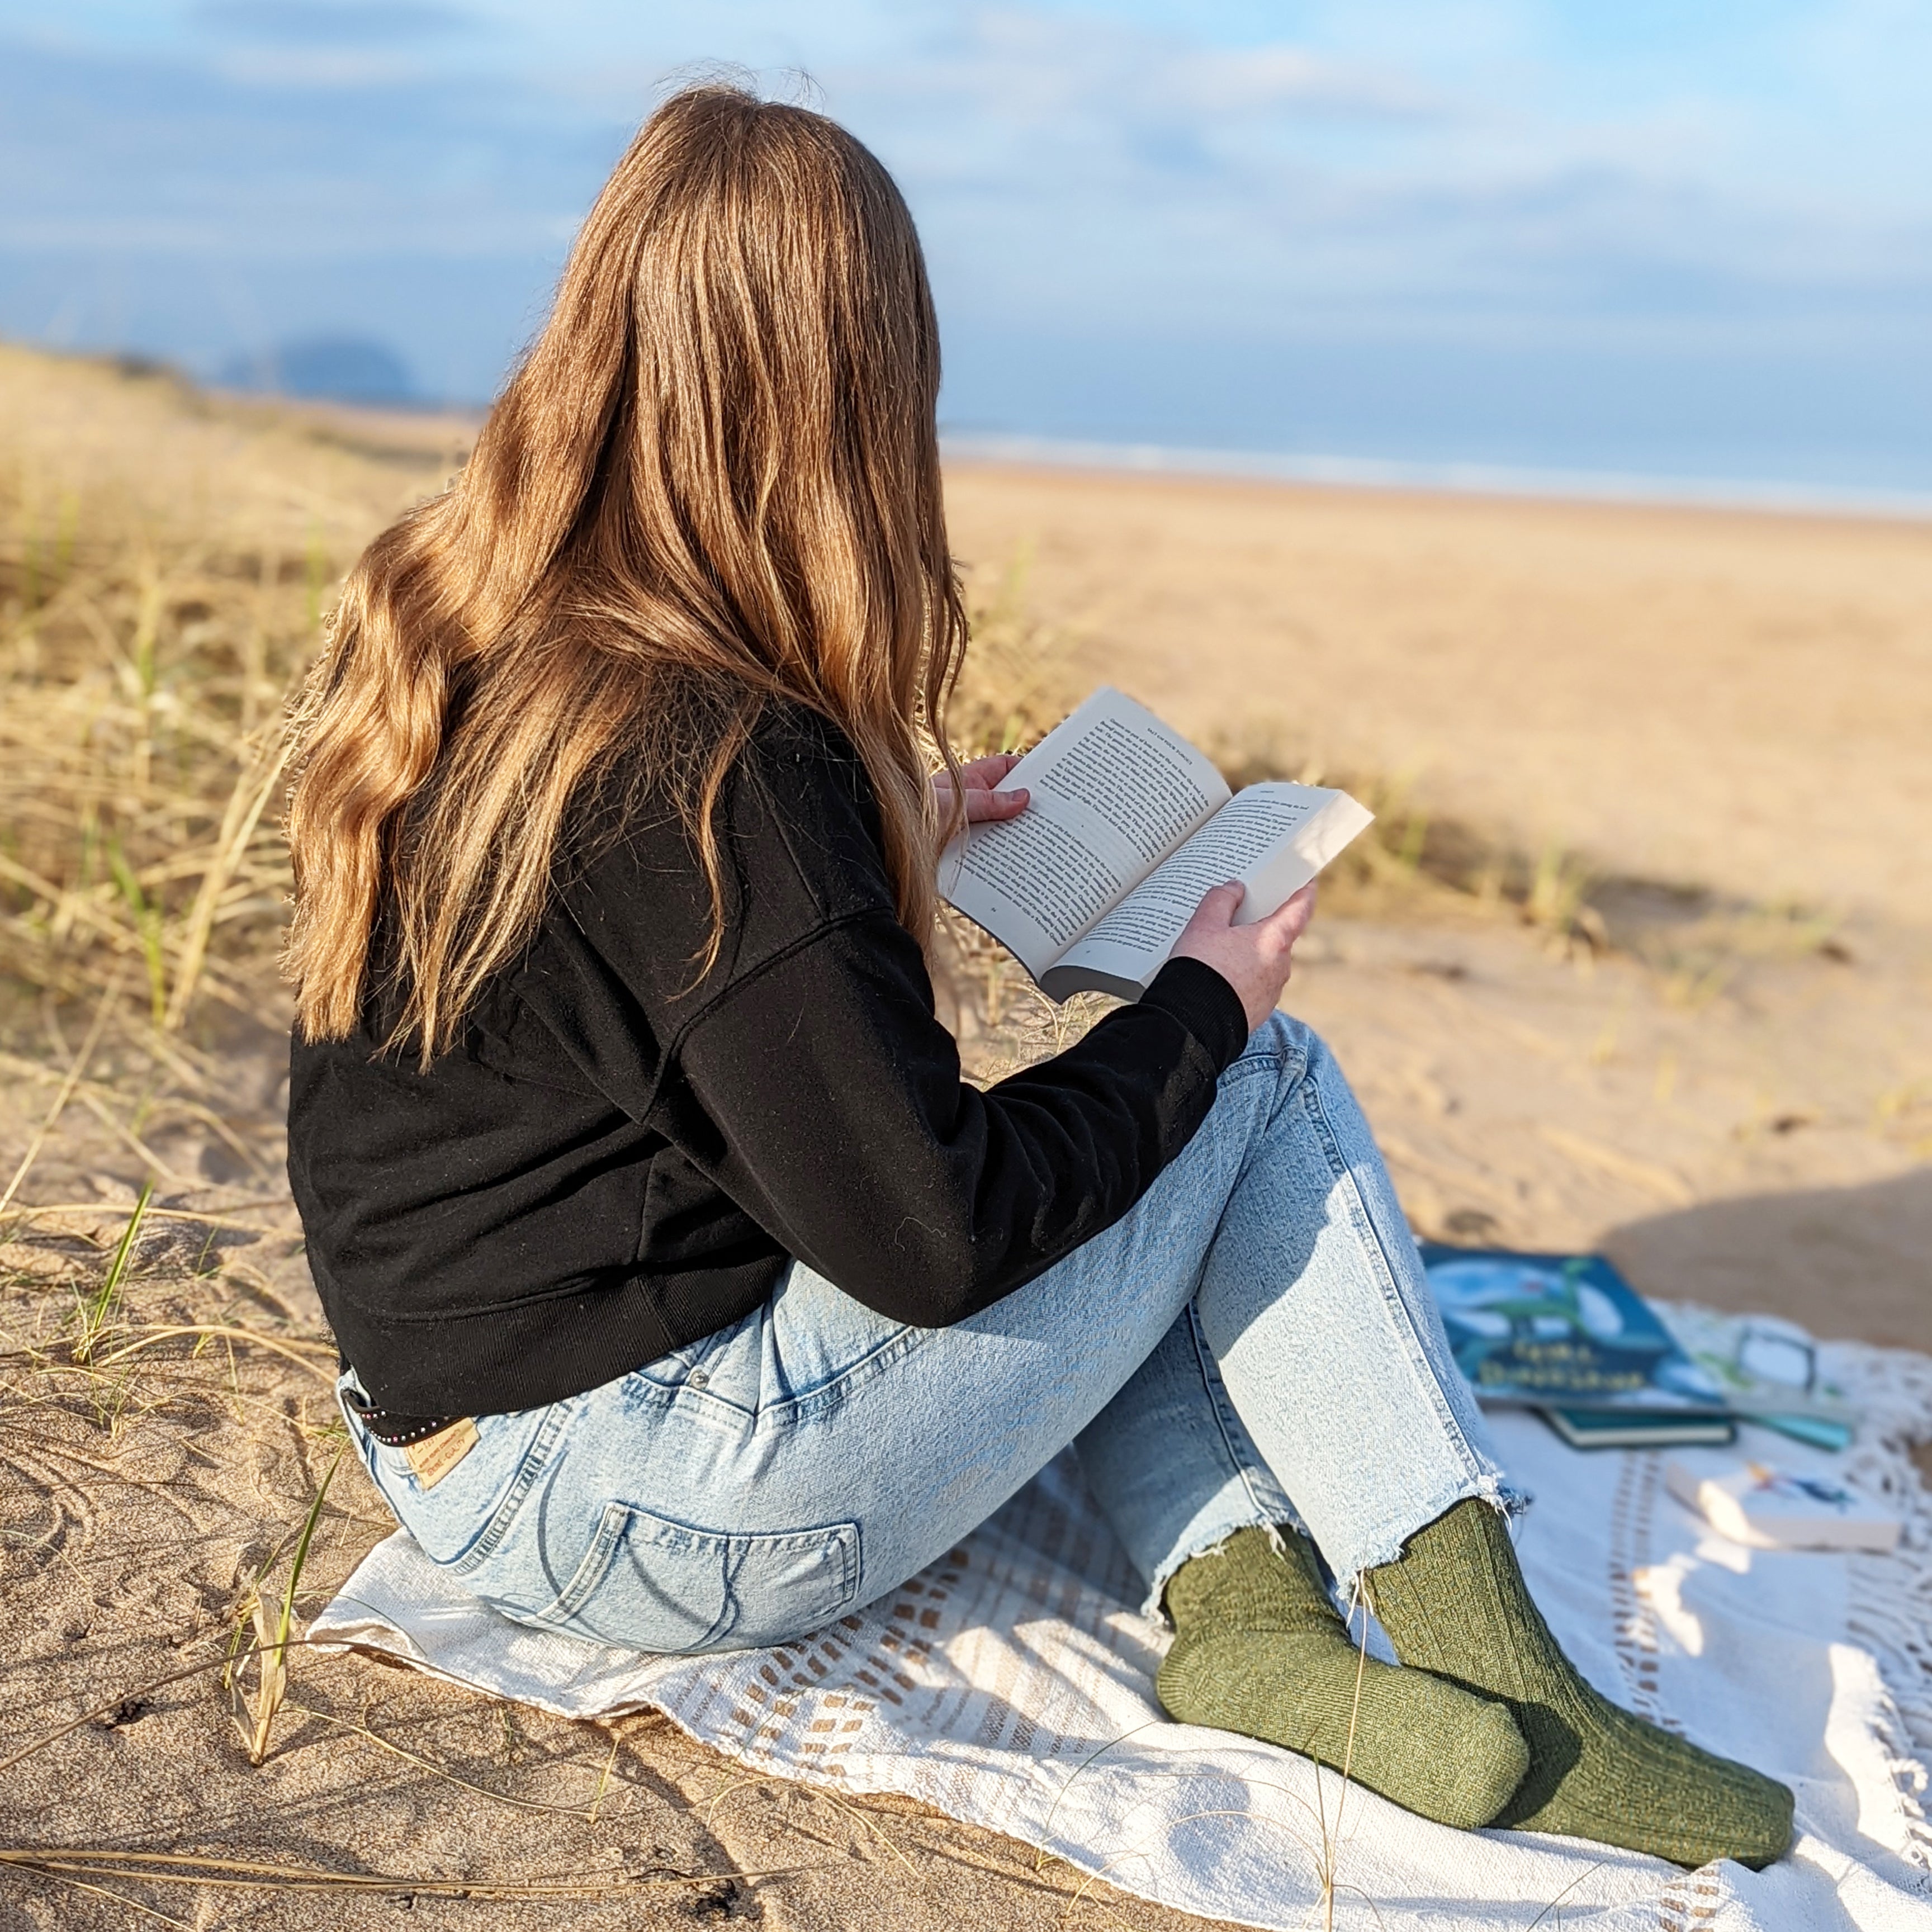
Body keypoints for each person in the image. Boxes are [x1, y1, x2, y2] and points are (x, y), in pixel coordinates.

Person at [283, 84, 1792, 1871]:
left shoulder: (504, 632)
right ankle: (1520, 1689)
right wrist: (1202, 1006)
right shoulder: (717, 769)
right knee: (1247, 1086)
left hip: (465, 1449)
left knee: (1137, 1145)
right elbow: (937, 1242)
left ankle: (1253, 1630)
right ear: (853, 396)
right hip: (646, 1508)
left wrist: (890, 834)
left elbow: (634, 986)